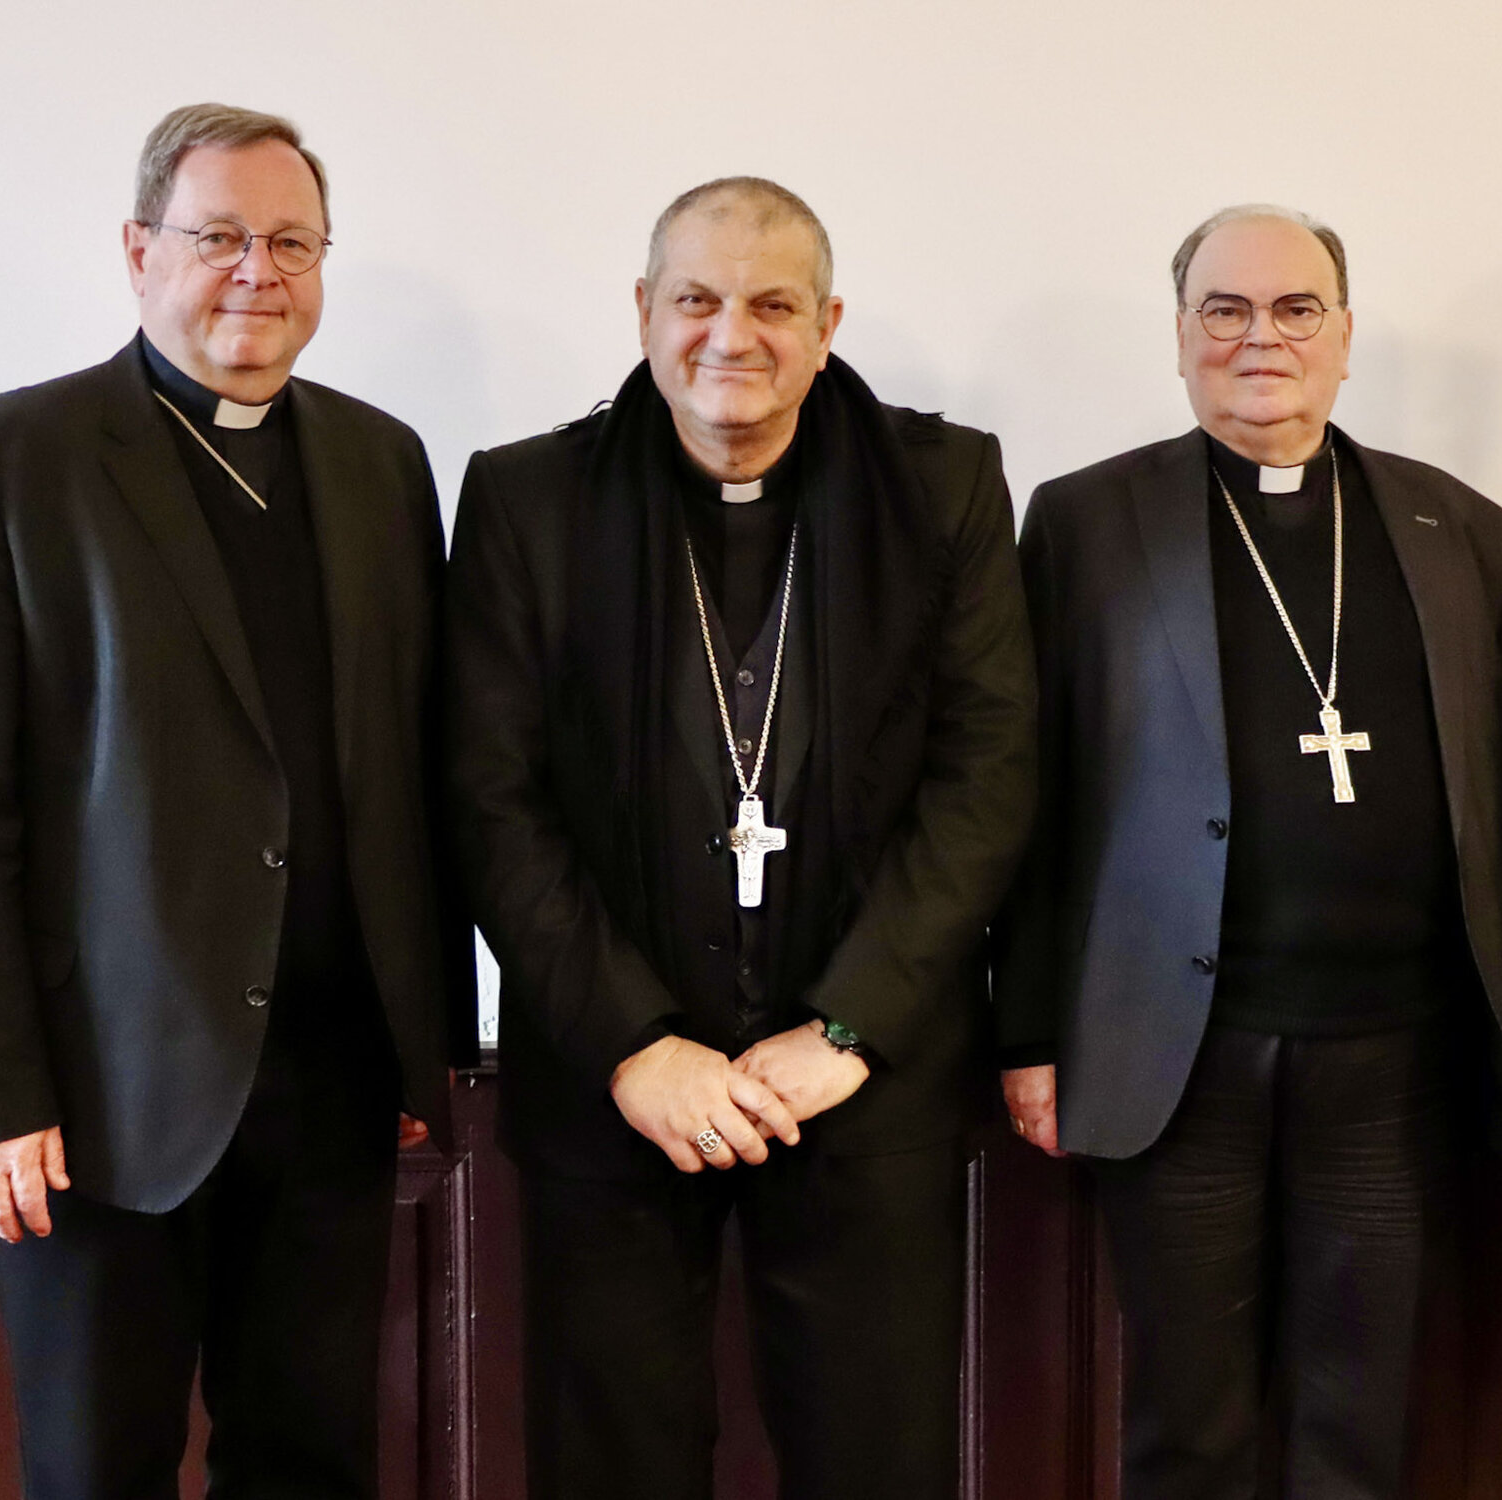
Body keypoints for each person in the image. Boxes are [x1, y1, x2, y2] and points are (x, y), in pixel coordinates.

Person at [447, 175, 1035, 1498]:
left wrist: (845, 1029)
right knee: (612, 1457)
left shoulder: (943, 486)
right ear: (643, 313)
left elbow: (987, 780)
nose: (733, 335)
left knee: (876, 1458)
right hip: (616, 1090)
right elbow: (490, 798)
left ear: (829, 324)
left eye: (773, 304)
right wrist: (632, 1043)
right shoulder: (526, 500)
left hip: (859, 1079)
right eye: (698, 298)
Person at [995, 204, 1502, 1499]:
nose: (1262, 337)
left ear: (1345, 335)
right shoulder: (1084, 524)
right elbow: (1025, 795)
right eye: (1224, 311)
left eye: (1297, 308)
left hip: (1393, 1057)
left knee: (1362, 1417)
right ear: (1180, 340)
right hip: (1178, 1052)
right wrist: (1025, 1032)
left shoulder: (1459, 528)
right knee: (1189, 1424)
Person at [0, 102, 474, 1497]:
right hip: (98, 1103)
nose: (257, 271)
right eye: (218, 238)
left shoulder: (382, 463)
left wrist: (416, 1043)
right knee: (100, 1470)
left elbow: (411, 769)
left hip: (327, 1088)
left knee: (313, 1462)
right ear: (140, 251)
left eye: (291, 241)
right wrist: (5, 1091)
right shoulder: (23, 463)